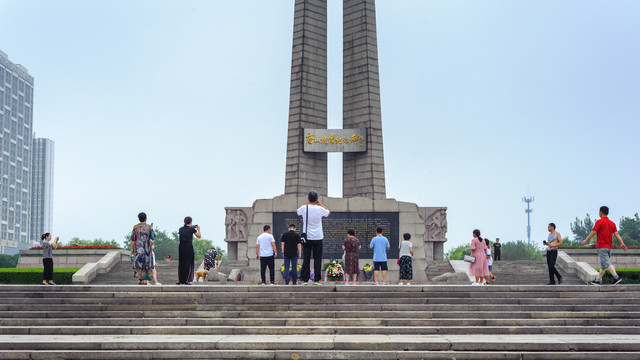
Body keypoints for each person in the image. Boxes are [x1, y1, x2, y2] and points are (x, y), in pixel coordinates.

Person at [581, 206, 628, 285]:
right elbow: (616, 234)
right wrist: (622, 243)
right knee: (603, 266)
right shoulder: (612, 223)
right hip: (609, 248)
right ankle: (597, 280)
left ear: (601, 212)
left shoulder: (599, 222)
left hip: (602, 247)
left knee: (607, 264)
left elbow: (593, 232)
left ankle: (616, 277)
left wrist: (586, 240)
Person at [298, 190, 330, 285]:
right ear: (316, 199)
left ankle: (305, 279)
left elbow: (298, 212)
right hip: (318, 237)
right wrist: (320, 204)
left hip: (307, 237)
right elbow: (328, 212)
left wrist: (307, 203)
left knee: (306, 259)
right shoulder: (320, 209)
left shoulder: (304, 208)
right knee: (317, 259)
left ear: (308, 198)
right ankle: (317, 279)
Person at [131, 212, 156, 285]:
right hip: (147, 249)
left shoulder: (135, 227)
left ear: (139, 219)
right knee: (146, 264)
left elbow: (133, 239)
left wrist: (132, 248)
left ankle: (140, 279)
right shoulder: (149, 227)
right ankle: (145, 279)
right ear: (146, 219)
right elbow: (153, 237)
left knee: (139, 264)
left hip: (138, 249)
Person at [178, 216, 201, 285]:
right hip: (188, 247)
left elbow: (184, 230)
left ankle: (179, 280)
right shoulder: (192, 229)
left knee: (181, 263)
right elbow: (199, 236)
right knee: (188, 263)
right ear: (191, 222)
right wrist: (198, 229)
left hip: (181, 247)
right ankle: (186, 280)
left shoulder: (180, 229)